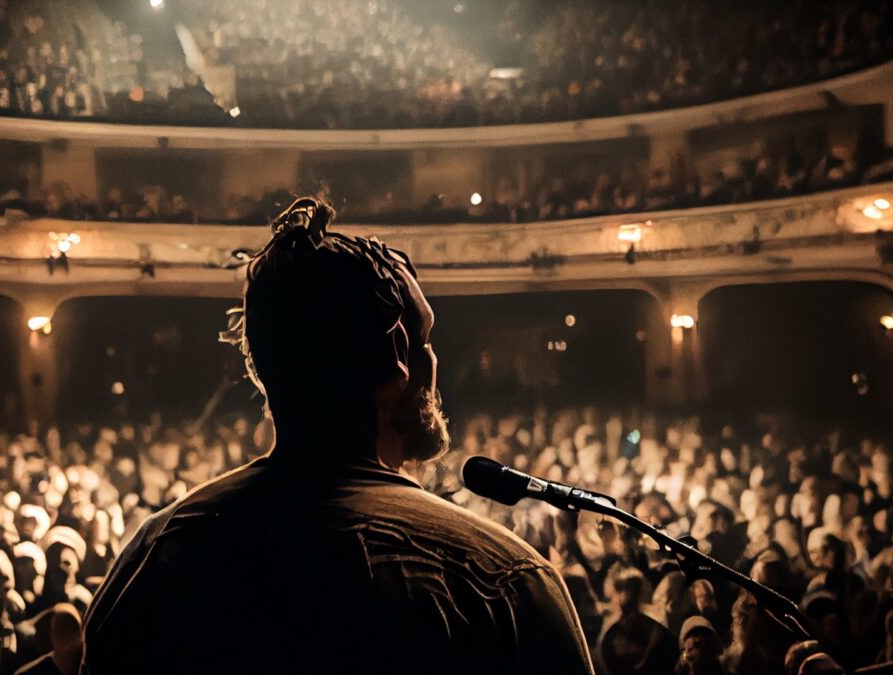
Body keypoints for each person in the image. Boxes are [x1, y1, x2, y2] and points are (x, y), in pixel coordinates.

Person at [81, 198, 594, 673]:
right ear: (397, 355)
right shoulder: (498, 579)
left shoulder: (154, 556)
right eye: (427, 340)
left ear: (261, 372)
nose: (434, 359)